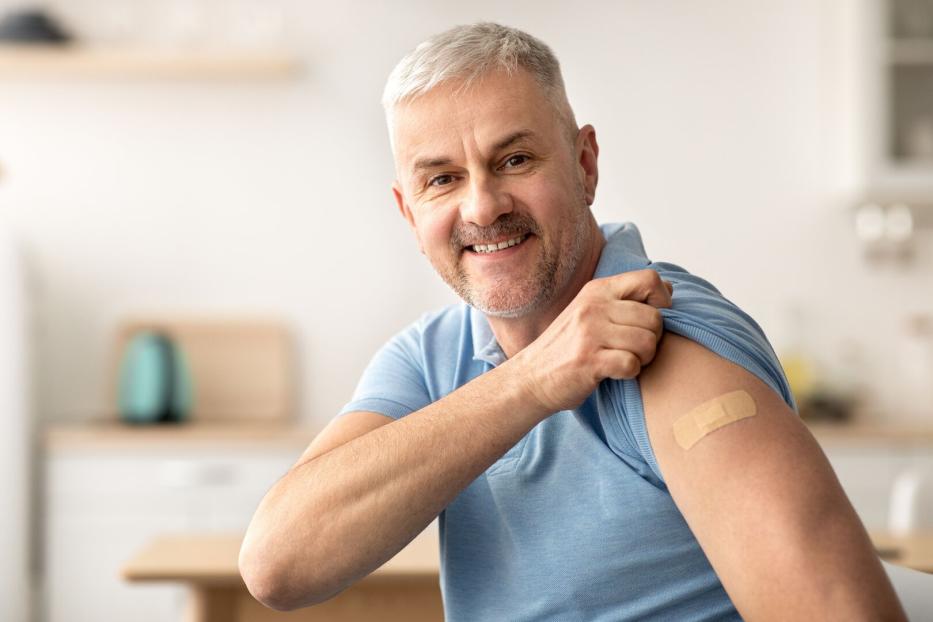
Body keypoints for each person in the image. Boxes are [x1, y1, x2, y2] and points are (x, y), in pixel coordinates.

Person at [239, 22, 905, 620]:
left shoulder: (667, 345)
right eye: (440, 179)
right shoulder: (430, 358)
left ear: (584, 165)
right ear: (409, 212)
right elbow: (278, 565)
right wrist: (532, 382)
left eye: (515, 161)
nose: (481, 206)